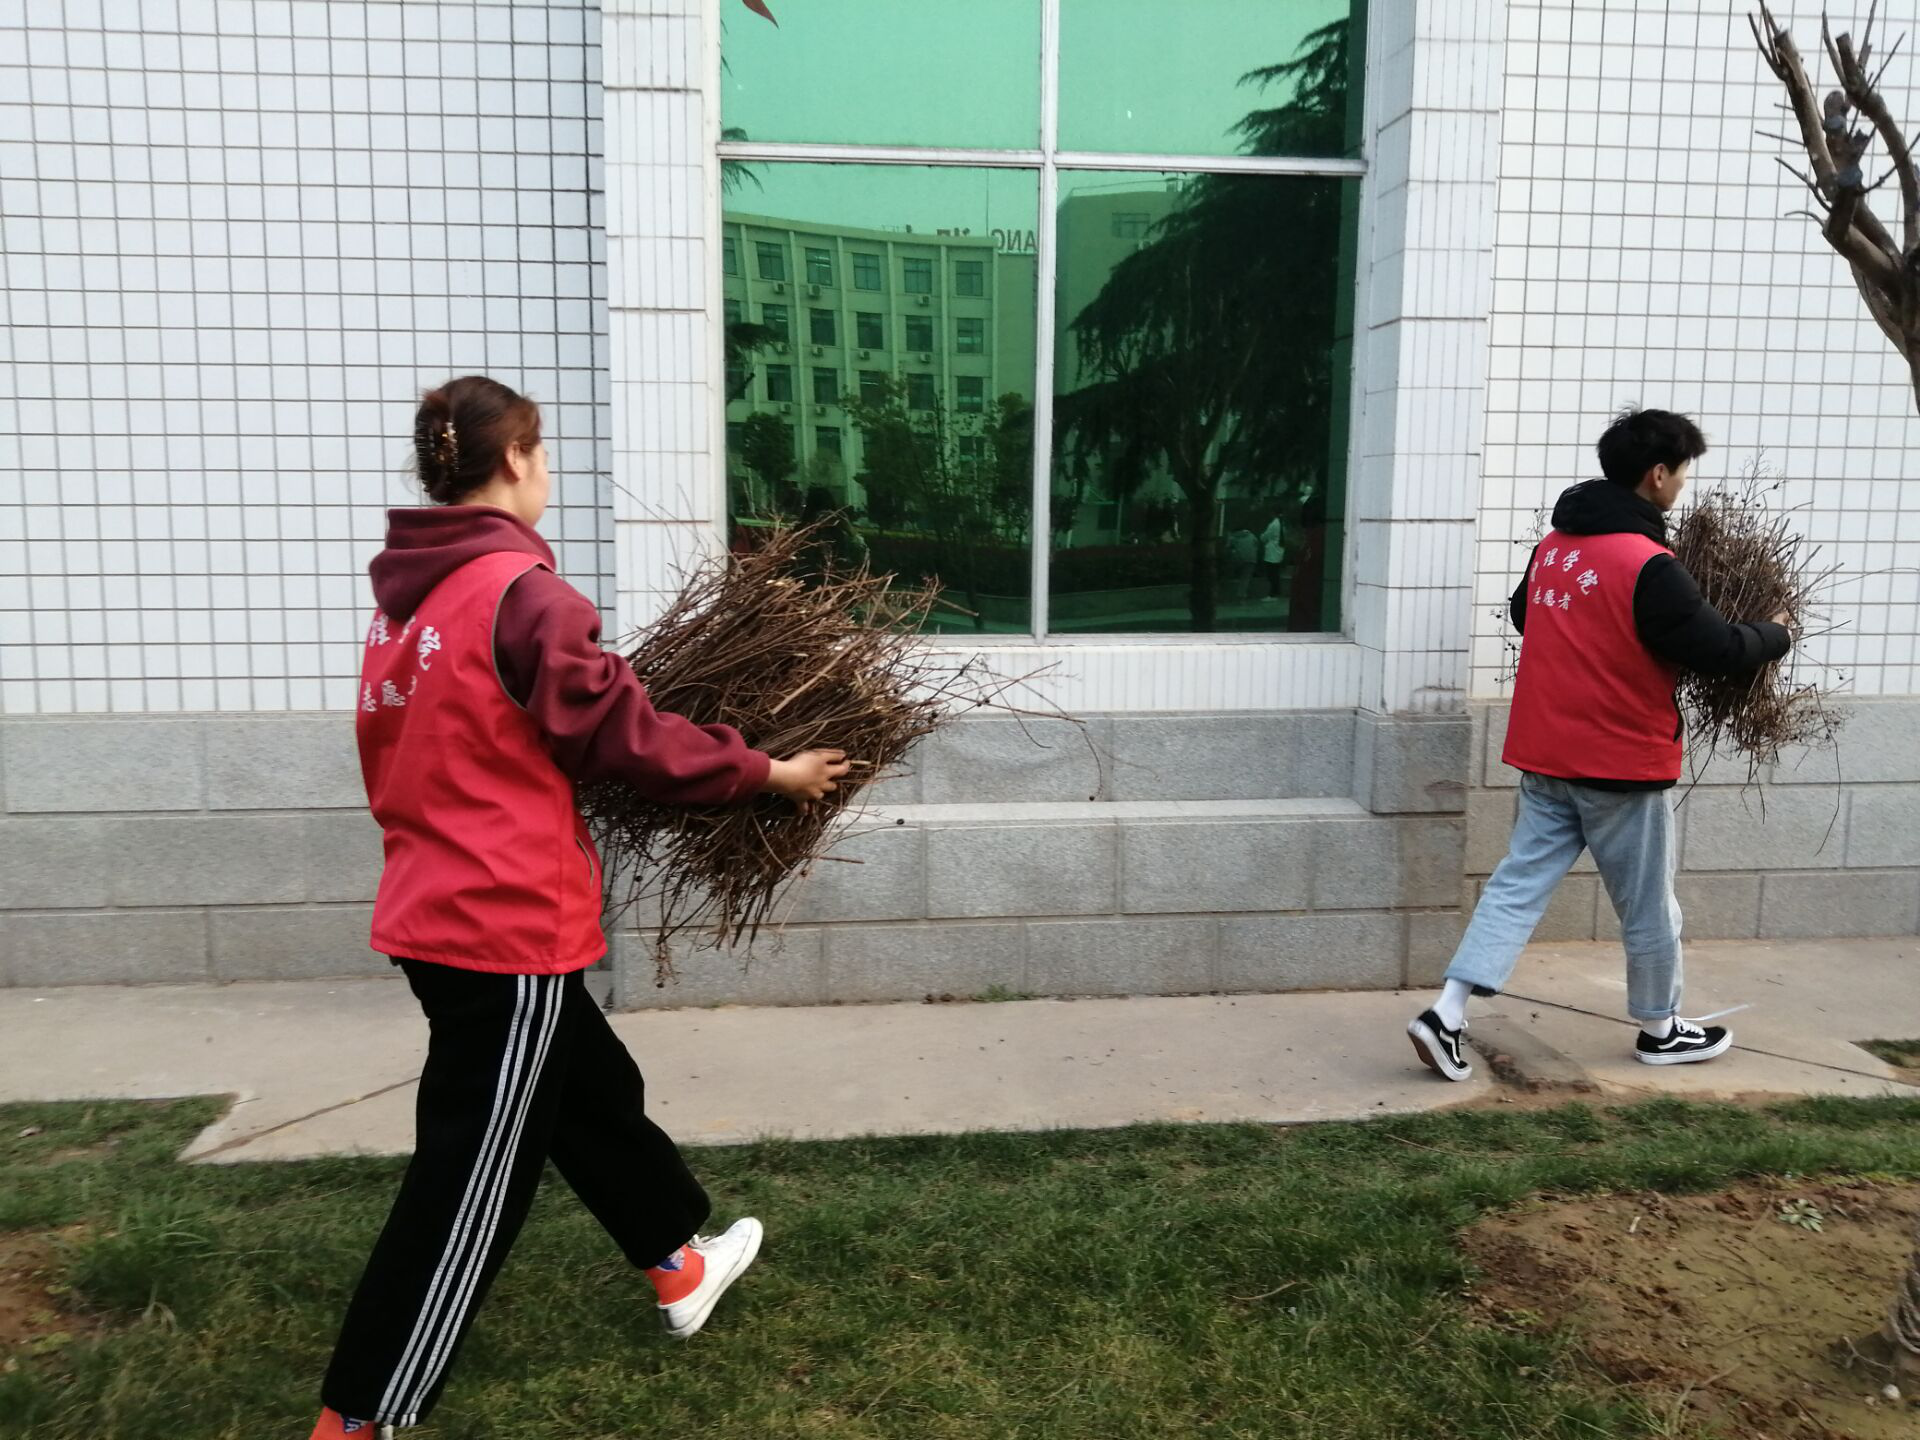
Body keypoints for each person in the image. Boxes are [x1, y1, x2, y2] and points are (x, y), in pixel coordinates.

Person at [309, 376, 848, 1438]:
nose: (547, 471)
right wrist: (767, 772)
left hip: (434, 905)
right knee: (470, 1182)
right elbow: (625, 735)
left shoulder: (405, 608)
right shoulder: (522, 595)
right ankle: (359, 1418)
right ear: (515, 459)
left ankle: (678, 1262)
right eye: (544, 451)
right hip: (503, 923)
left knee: (587, 1089)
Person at [1406, 408, 1792, 1083]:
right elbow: (1719, 649)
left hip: (1546, 756)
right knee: (1649, 906)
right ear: (1658, 474)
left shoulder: (1554, 548)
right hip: (1620, 764)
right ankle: (1661, 1030)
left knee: (1514, 888)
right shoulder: (1650, 564)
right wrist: (1777, 632)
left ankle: (1447, 1013)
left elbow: (1526, 615)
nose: (1683, 485)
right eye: (1682, 472)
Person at [1258, 510, 1286, 602]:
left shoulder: (1273, 524)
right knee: (1276, 573)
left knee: (1271, 574)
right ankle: (1276, 592)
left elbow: (1265, 537)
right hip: (1279, 550)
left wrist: (1261, 536)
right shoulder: (1282, 524)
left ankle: (1272, 594)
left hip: (1272, 551)